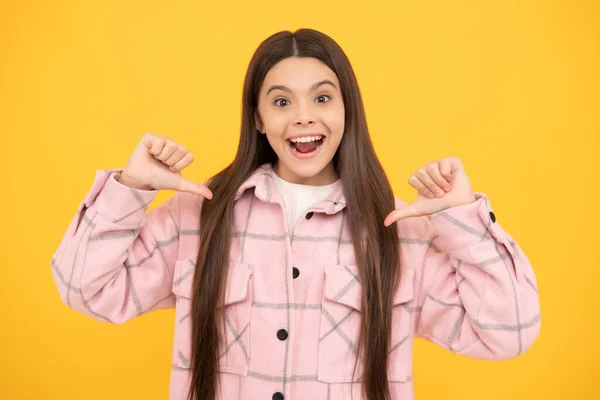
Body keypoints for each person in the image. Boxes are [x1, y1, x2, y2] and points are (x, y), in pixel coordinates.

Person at [50, 28, 541, 400]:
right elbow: (83, 289)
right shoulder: (199, 216)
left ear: (348, 110)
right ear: (259, 118)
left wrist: (462, 220)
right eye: (282, 101)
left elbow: (510, 334)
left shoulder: (400, 232)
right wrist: (131, 188)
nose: (304, 116)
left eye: (322, 98)